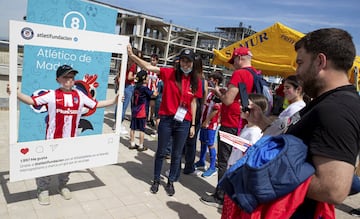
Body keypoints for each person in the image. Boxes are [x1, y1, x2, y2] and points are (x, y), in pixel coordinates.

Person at [247, 28, 360, 217]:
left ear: (320, 61)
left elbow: (333, 188)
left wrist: (263, 172)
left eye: (300, 63)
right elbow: (305, 142)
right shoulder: (325, 101)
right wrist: (262, 122)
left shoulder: (337, 108)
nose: (296, 71)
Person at [7, 64, 118, 205]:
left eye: (71, 77)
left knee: (67, 166)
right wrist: (15, 93)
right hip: (52, 140)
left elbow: (97, 104)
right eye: (65, 77)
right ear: (58, 79)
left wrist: (114, 101)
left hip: (70, 140)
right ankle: (42, 189)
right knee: (47, 166)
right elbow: (32, 101)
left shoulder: (80, 96)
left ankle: (62, 185)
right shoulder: (51, 95)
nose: (69, 80)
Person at [127, 45, 202, 196]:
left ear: (193, 63)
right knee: (161, 152)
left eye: (188, 62)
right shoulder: (170, 73)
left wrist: (193, 124)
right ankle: (155, 180)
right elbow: (148, 66)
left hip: (184, 122)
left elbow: (194, 103)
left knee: (176, 154)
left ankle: (171, 181)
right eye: (183, 61)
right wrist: (132, 55)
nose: (185, 64)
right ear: (179, 61)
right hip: (167, 119)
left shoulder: (196, 81)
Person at [200, 47, 255, 207]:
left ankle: (220, 197)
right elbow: (242, 97)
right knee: (236, 161)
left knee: (225, 161)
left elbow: (228, 100)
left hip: (231, 123)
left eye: (233, 62)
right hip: (243, 124)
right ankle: (231, 195)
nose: (233, 66)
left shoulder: (240, 74)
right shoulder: (254, 74)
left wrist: (218, 92)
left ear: (239, 58)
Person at [222, 93, 268, 219]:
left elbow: (249, 158)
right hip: (233, 171)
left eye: (245, 106)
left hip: (238, 177)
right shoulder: (247, 127)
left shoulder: (254, 133)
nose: (241, 108)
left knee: (231, 212)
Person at [193, 71, 223, 178]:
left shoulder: (218, 93)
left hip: (211, 124)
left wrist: (207, 121)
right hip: (204, 122)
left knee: (210, 144)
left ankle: (212, 167)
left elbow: (216, 109)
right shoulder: (211, 92)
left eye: (211, 79)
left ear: (216, 81)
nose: (209, 81)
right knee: (202, 141)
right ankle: (201, 161)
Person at [183, 54, 208, 175]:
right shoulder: (204, 80)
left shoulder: (189, 78)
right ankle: (189, 166)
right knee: (192, 140)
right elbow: (203, 100)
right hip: (197, 110)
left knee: (182, 136)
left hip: (186, 108)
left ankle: (181, 160)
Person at [129, 70, 158, 151]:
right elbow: (154, 94)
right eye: (148, 77)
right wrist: (153, 84)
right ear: (144, 79)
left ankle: (132, 143)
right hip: (142, 111)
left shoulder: (135, 87)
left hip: (134, 110)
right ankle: (141, 145)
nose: (149, 78)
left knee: (133, 128)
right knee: (142, 129)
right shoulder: (145, 88)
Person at [146, 53, 160, 129]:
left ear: (157, 61)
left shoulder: (158, 70)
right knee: (146, 105)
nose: (152, 62)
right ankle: (145, 118)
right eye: (151, 60)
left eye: (154, 60)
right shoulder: (147, 69)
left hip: (154, 91)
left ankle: (150, 118)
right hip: (147, 90)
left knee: (152, 106)